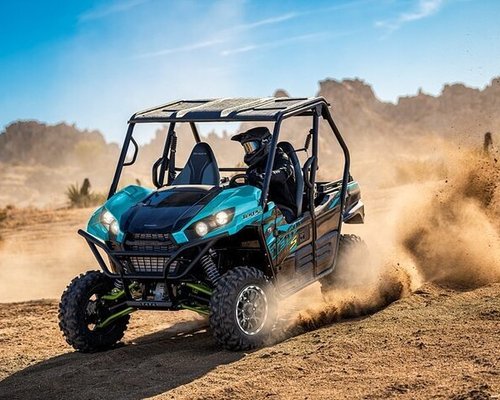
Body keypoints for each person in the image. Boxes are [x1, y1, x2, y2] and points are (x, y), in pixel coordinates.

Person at [231, 126, 296, 222]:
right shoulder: (254, 167)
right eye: (247, 148)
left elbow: (282, 173)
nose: (249, 152)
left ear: (265, 143)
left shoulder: (281, 157)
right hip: (260, 208)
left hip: (283, 209)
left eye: (251, 146)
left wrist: (262, 176)